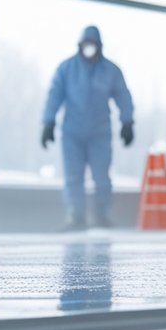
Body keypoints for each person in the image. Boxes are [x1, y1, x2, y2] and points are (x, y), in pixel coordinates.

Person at [42, 25, 134, 230]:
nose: (89, 48)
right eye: (86, 44)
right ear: (80, 45)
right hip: (72, 133)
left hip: (99, 133)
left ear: (100, 47)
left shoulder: (111, 71)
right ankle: (76, 217)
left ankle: (102, 216)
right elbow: (54, 95)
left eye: (93, 45)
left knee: (101, 177)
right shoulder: (66, 69)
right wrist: (48, 121)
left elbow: (123, 95)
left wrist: (127, 122)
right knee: (73, 176)